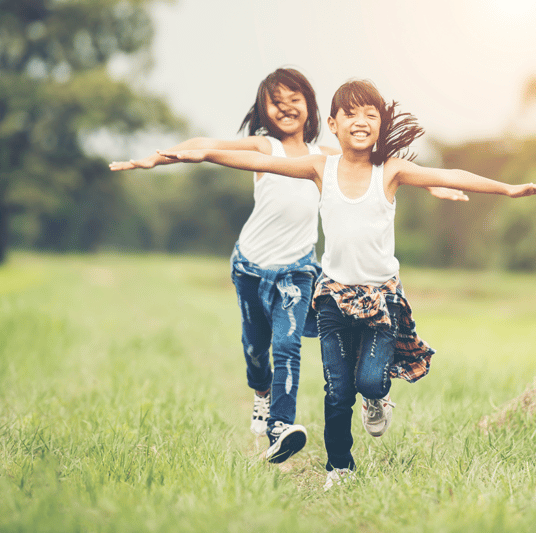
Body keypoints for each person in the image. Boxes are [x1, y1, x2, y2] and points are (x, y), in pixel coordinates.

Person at [159, 79, 536, 489]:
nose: (361, 121)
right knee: (336, 391)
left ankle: (377, 398)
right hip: (331, 297)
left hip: (381, 299)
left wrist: (507, 188)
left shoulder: (391, 171)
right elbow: (263, 164)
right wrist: (205, 153)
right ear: (333, 123)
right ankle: (340, 469)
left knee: (367, 381)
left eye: (371, 114)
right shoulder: (320, 167)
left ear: (381, 124)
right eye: (350, 114)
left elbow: (449, 172)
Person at [110, 69, 464, 464]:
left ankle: (280, 426)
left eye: (294, 98)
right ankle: (261, 394)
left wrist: (432, 183)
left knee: (287, 344)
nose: (286, 107)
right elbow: (207, 145)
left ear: (311, 107)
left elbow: (381, 170)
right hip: (250, 266)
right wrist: (159, 158)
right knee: (255, 349)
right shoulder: (265, 148)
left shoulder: (327, 155)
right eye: (275, 101)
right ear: (263, 110)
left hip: (298, 268)